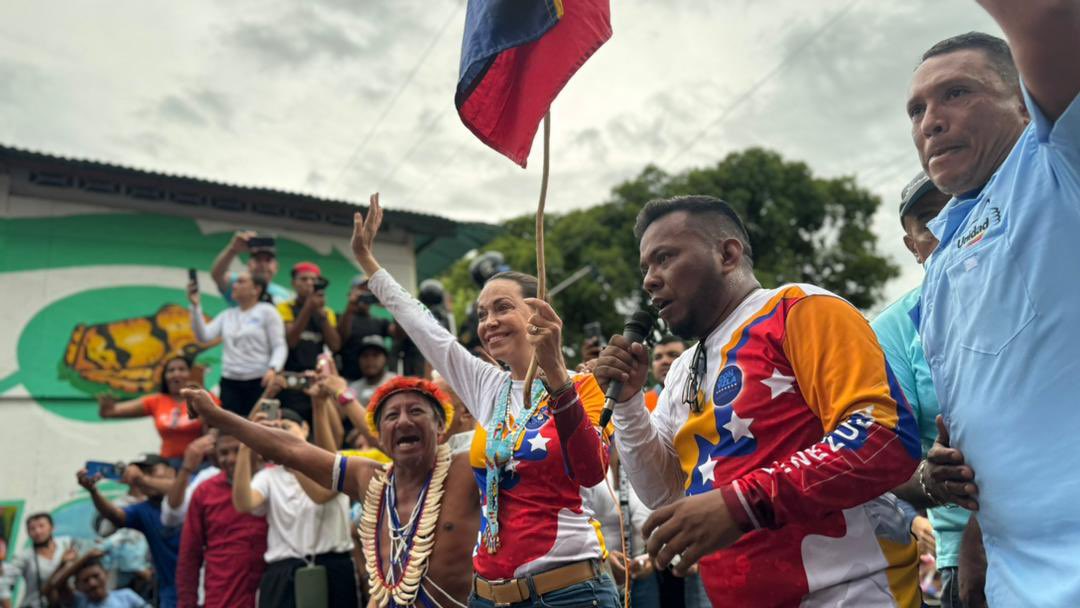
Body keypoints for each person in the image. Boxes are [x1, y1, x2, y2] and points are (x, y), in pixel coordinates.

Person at [595, 195, 921, 606]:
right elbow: (664, 495)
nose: (649, 280)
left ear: (728, 254)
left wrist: (742, 503)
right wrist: (627, 403)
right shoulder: (680, 370)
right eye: (645, 267)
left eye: (665, 258)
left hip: (853, 593)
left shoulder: (799, 309)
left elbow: (882, 436)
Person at [350, 194, 619, 608]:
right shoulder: (486, 386)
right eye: (481, 313)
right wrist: (369, 263)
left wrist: (559, 379)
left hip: (569, 593)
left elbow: (590, 471)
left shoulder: (584, 387)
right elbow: (426, 328)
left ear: (538, 312)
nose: (488, 322)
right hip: (488, 595)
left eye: (502, 308)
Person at [908, 2, 1080, 602]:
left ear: (1021, 101)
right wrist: (945, 475)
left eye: (956, 93)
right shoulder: (947, 251)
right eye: (918, 109)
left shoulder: (1057, 162)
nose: (930, 121)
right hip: (1013, 577)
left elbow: (1051, 16)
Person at [182, 374, 482, 608]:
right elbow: (292, 449)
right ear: (380, 436)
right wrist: (219, 417)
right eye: (391, 416)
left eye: (416, 411)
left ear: (441, 427)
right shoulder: (369, 478)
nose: (403, 420)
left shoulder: (468, 469)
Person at [871, 171, 971, 608]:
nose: (948, 225)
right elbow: (886, 457)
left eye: (959, 207)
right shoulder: (892, 329)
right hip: (966, 554)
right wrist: (931, 482)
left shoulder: (1039, 287)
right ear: (913, 246)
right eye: (930, 220)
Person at [229, 405, 357, 608]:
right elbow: (243, 503)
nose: (278, 434)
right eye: (272, 429)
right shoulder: (268, 477)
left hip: (333, 566)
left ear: (305, 428)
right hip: (283, 571)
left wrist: (291, 458)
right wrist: (246, 444)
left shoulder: (334, 467)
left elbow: (321, 495)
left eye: (285, 427)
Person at [175, 432, 267, 608]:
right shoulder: (204, 492)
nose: (231, 459)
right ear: (215, 456)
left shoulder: (272, 481)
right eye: (224, 453)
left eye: (237, 450)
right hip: (223, 593)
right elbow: (189, 555)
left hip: (272, 588)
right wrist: (187, 604)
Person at [77, 456, 181, 608]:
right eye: (139, 474)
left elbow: (179, 489)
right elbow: (115, 516)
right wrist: (93, 491)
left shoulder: (193, 491)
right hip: (170, 595)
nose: (143, 478)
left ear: (172, 472)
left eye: (150, 471)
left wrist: (141, 479)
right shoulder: (143, 510)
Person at [189, 271, 286, 416]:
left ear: (256, 289)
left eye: (241, 281)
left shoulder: (268, 312)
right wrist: (195, 307)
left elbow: (279, 345)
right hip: (230, 382)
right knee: (230, 430)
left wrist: (273, 368)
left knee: (267, 423)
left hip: (261, 381)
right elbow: (204, 336)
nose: (234, 285)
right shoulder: (227, 314)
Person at [97, 356, 216, 467]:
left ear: (191, 374)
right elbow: (110, 412)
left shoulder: (206, 397)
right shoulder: (156, 401)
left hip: (201, 464)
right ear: (164, 377)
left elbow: (218, 430)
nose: (176, 374)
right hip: (168, 465)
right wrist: (106, 408)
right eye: (171, 370)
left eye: (182, 369)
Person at [277, 262, 341, 421]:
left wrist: (320, 312)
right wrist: (308, 307)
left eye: (313, 280)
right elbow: (291, 341)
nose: (309, 283)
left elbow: (335, 345)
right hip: (291, 380)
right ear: (293, 283)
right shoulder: (283, 308)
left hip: (317, 380)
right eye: (303, 279)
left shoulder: (326, 312)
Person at [0, 513, 75, 608]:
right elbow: (3, 583)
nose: (38, 531)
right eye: (32, 529)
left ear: (52, 527)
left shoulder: (66, 544)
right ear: (28, 533)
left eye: (41, 526)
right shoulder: (24, 556)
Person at [43, 550, 149, 608]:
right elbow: (56, 585)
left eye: (96, 576)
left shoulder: (126, 596)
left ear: (105, 574)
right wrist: (85, 557)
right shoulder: (77, 602)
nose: (92, 583)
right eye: (85, 581)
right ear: (77, 586)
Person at [210, 231, 291, 305]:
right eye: (258, 259)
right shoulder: (239, 283)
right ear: (248, 265)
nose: (262, 265)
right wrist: (233, 249)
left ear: (276, 267)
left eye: (268, 260)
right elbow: (217, 275)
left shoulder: (286, 296)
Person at [337, 276, 393, 382]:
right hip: (349, 379)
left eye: (369, 290)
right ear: (352, 292)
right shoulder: (342, 318)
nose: (366, 293)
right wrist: (351, 306)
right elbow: (340, 340)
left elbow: (399, 334)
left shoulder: (380, 322)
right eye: (362, 289)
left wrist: (390, 304)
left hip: (376, 381)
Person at [347, 335, 397, 406]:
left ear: (386, 359)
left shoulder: (397, 383)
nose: (370, 360)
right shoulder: (353, 388)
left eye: (375, 355)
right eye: (365, 355)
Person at [644, 336, 686, 412]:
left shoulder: (707, 397)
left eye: (673, 355)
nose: (664, 361)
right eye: (657, 357)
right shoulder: (639, 406)